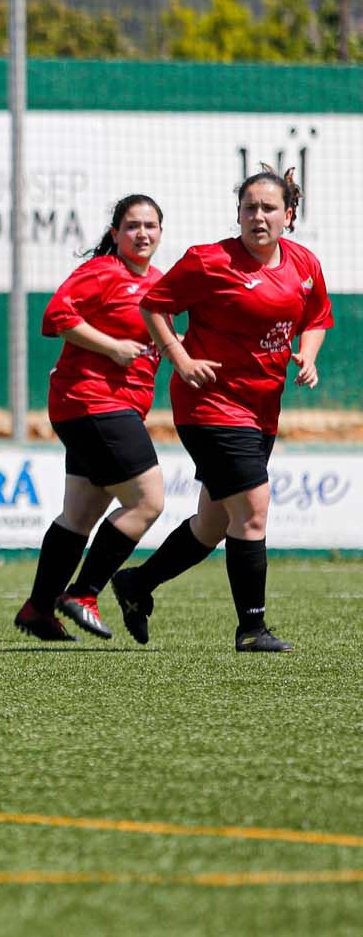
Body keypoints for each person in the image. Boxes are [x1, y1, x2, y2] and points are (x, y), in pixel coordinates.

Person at [111, 167, 331, 652]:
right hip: (209, 404)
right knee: (252, 510)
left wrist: (308, 354)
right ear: (237, 214)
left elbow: (316, 317)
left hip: (261, 409)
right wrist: (180, 356)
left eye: (269, 208)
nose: (258, 216)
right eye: (249, 207)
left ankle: (136, 585)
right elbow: (154, 304)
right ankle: (251, 628)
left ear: (288, 216)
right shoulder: (209, 262)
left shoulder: (304, 264)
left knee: (213, 523)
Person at [16, 195, 168, 644]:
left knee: (80, 513)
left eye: (151, 226)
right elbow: (56, 315)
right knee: (148, 501)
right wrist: (112, 347)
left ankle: (39, 608)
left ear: (161, 232)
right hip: (92, 403)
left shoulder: (160, 284)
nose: (142, 234)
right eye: (132, 226)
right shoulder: (103, 272)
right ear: (116, 233)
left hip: (107, 407)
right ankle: (84, 593)